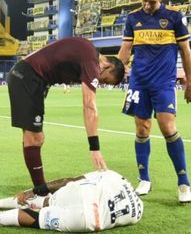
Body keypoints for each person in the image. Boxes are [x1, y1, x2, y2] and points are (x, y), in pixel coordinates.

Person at [8, 37, 125, 188]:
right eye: (105, 81)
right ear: (107, 67)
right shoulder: (92, 61)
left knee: (35, 138)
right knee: (35, 137)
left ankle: (39, 188)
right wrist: (94, 148)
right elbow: (89, 105)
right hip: (28, 77)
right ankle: (40, 192)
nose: (100, 83)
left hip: (32, 78)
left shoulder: (88, 53)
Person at [117, 0, 191, 203]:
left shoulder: (174, 16)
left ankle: (183, 183)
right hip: (138, 82)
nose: (147, 6)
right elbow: (125, 50)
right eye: (144, 1)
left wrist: (190, 82)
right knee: (142, 129)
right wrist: (115, 70)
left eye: (151, 2)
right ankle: (144, 179)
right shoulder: (133, 18)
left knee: (167, 126)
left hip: (163, 82)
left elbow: (185, 51)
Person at [0, 170, 142, 232]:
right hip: (88, 223)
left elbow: (70, 181)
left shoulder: (112, 175)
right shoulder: (137, 213)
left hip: (83, 198)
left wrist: (35, 190)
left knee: (44, 200)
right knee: (29, 218)